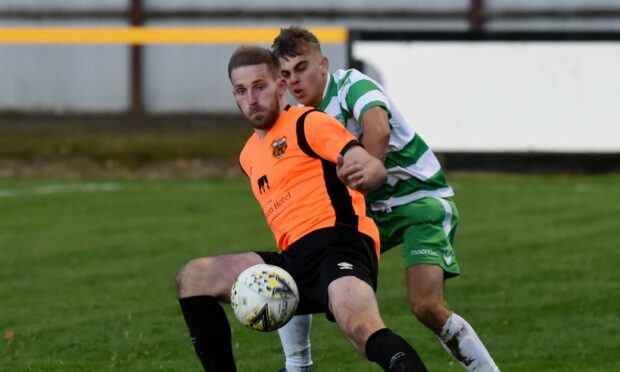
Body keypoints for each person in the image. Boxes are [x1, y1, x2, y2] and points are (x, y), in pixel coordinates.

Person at [176, 45, 429, 372]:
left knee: (361, 328)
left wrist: (372, 171)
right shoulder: (248, 156)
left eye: (259, 87)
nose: (251, 99)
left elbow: (360, 158)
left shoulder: (308, 122)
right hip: (293, 259)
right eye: (241, 90)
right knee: (193, 277)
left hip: (341, 246)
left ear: (281, 86)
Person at [271, 27, 500, 372]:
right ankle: (297, 366)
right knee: (296, 263)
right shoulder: (299, 118)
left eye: (302, 67)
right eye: (286, 75)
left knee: (425, 306)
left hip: (420, 201)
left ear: (323, 64)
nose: (295, 81)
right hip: (369, 213)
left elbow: (377, 128)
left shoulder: (351, 85)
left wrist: (370, 170)